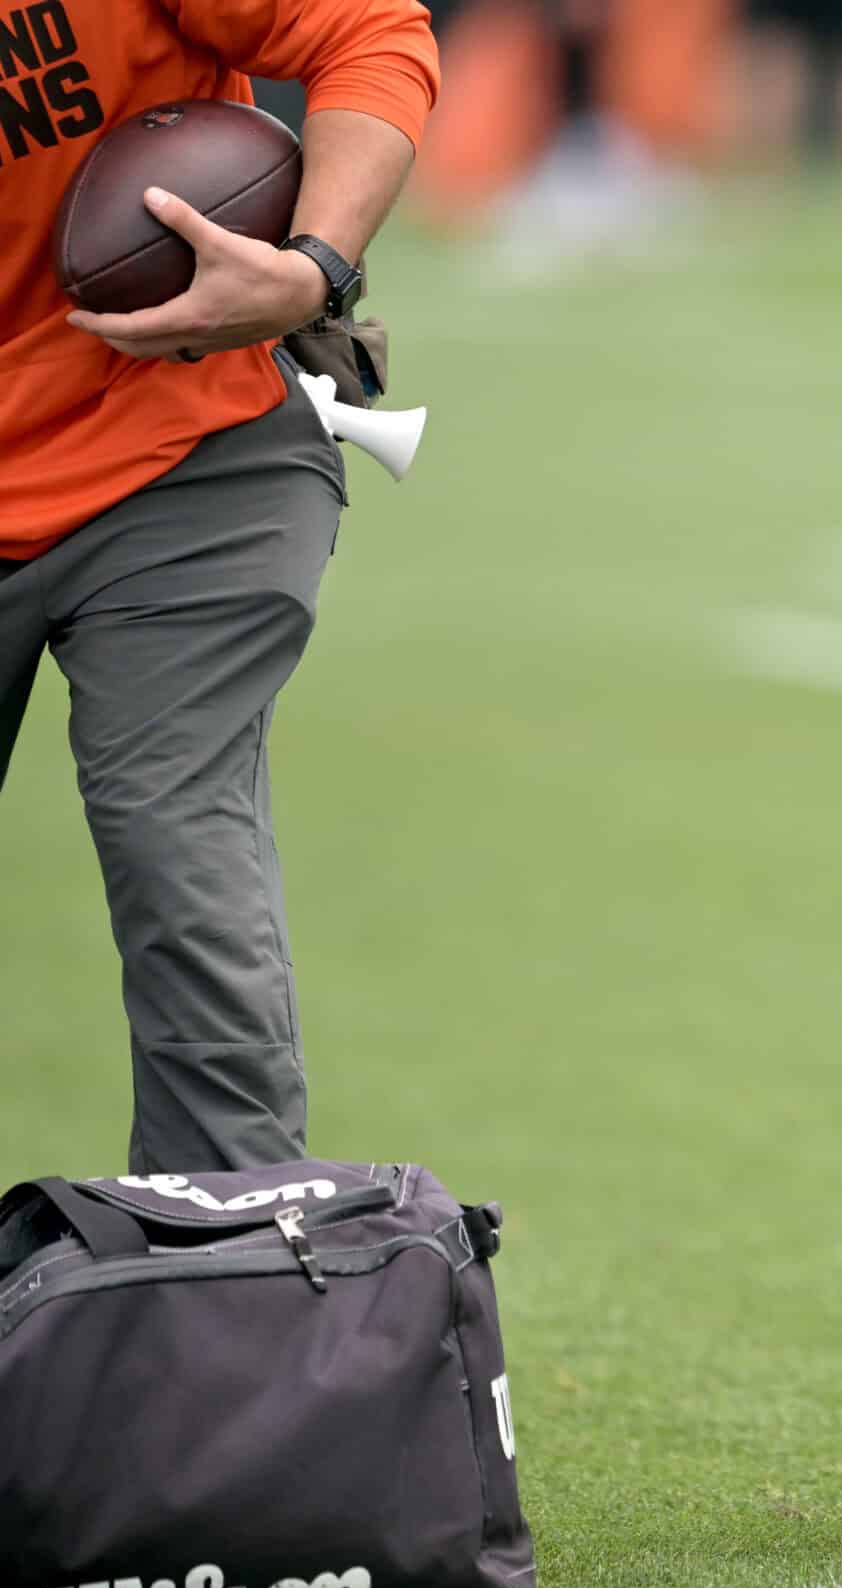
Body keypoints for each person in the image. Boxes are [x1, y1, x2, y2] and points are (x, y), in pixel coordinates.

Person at [0, 2, 440, 1172]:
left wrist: (310, 272)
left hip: (188, 448)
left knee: (178, 852)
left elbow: (371, 35)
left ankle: (221, 1287)